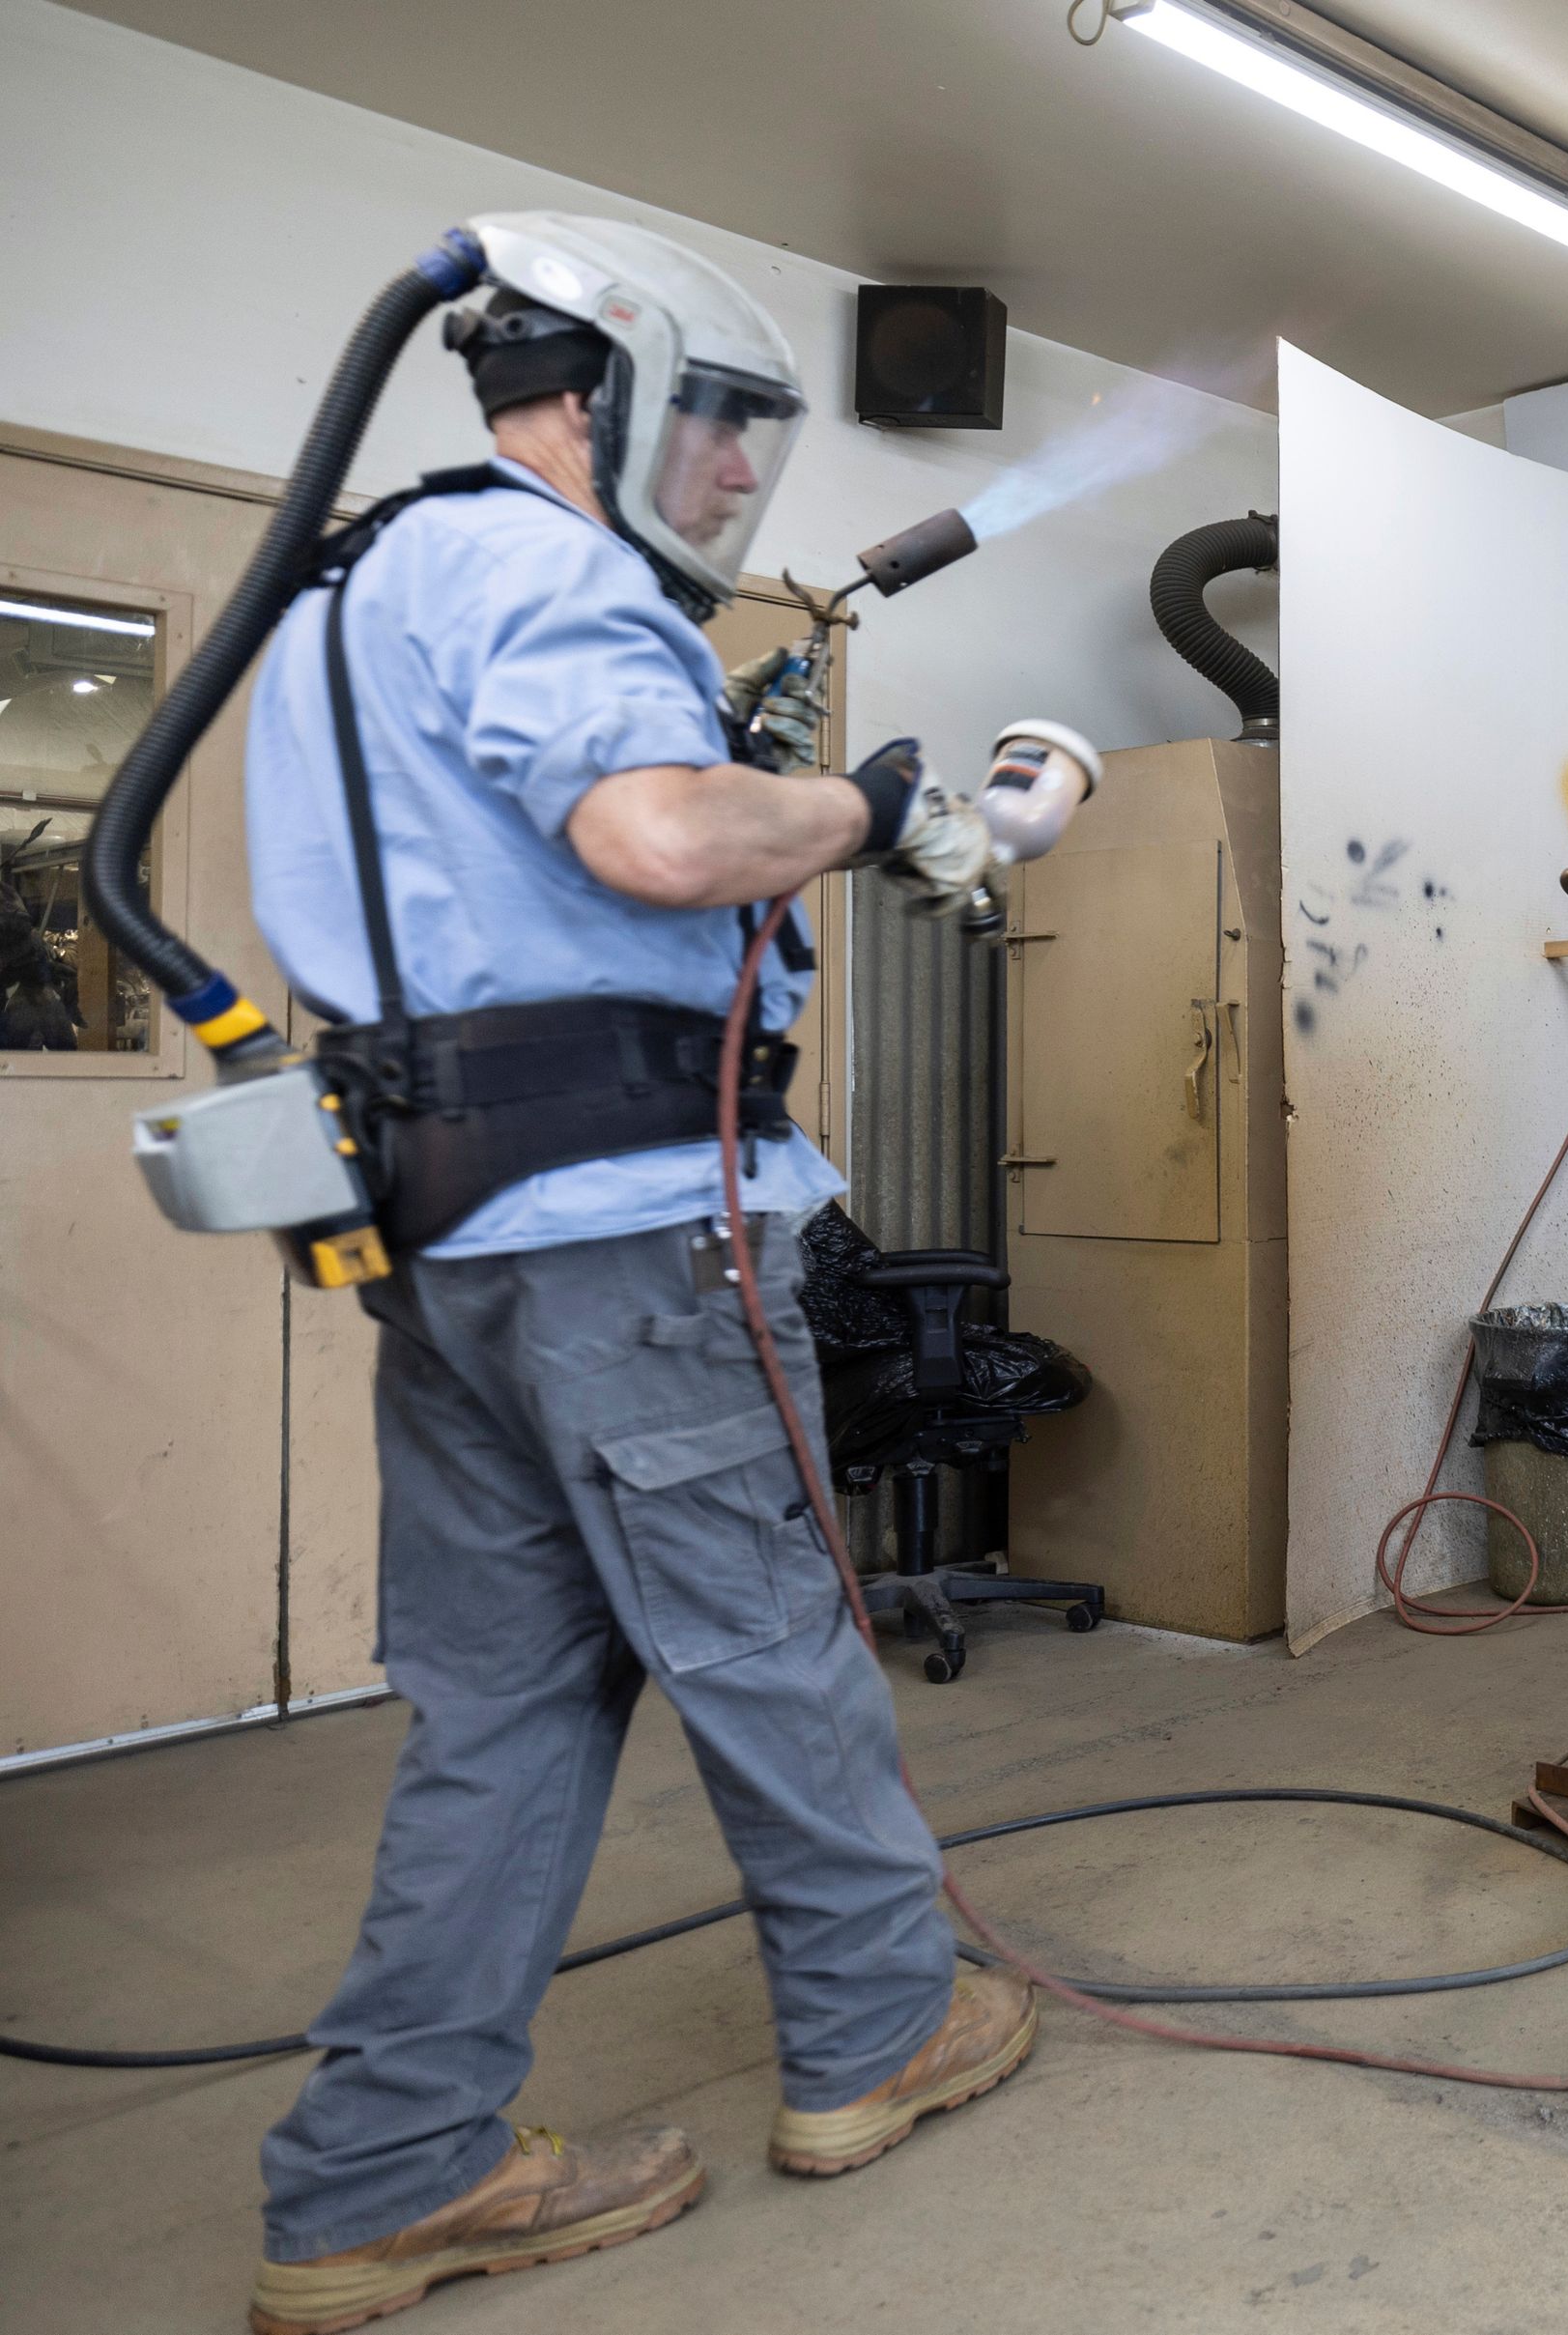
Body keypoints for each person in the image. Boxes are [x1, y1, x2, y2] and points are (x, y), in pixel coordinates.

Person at [241, 214, 1051, 2334]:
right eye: (711, 421)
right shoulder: (546, 569)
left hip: (451, 1248)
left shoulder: (352, 587)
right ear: (596, 390)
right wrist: (862, 818)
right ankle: (882, 2031)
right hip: (633, 1233)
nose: (730, 471)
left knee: (502, 1708)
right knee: (770, 1635)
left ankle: (381, 2176)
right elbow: (660, 848)